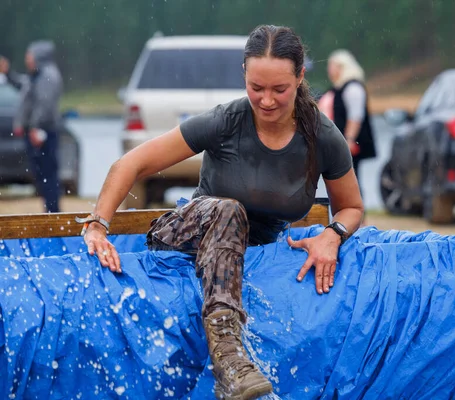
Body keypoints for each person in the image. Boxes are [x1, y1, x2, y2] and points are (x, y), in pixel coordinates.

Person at [79, 25, 364, 400]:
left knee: (238, 218)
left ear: (300, 77)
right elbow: (129, 165)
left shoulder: (321, 136)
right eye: (256, 88)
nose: (266, 101)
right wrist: (98, 226)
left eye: (279, 89)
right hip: (187, 234)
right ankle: (228, 356)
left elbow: (352, 207)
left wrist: (333, 234)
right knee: (230, 210)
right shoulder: (224, 121)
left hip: (256, 248)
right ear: (244, 74)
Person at [0, 40, 64, 213]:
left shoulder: (48, 76)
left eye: (30, 55)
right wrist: (8, 74)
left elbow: (45, 104)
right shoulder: (37, 75)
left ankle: (53, 211)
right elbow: (23, 86)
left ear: (39, 56)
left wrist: (36, 128)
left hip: (44, 133)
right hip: (38, 132)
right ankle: (50, 210)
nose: (27, 59)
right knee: (42, 174)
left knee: (48, 174)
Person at [325, 49, 376, 198]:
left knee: (352, 178)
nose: (329, 70)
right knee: (344, 178)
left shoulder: (353, 88)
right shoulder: (338, 88)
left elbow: (355, 116)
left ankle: (358, 214)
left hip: (351, 141)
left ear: (342, 67)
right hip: (342, 140)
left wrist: (349, 139)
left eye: (332, 66)